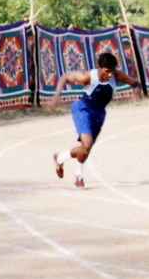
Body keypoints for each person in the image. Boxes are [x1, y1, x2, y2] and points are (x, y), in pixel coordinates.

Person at [51, 51, 142, 188]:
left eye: (112, 71)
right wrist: (56, 96)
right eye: (107, 71)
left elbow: (135, 83)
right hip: (83, 108)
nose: (110, 75)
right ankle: (70, 168)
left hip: (99, 113)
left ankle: (67, 165)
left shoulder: (116, 75)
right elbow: (65, 77)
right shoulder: (87, 77)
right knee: (87, 145)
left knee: (86, 149)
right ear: (100, 68)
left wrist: (136, 93)